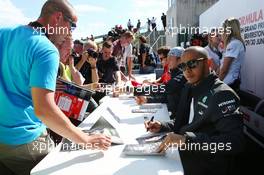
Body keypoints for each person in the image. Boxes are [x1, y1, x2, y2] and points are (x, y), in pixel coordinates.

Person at [0, 1, 111, 174]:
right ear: (58, 18)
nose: (69, 33)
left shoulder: (3, 33)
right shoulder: (46, 49)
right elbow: (44, 110)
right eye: (71, 26)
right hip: (25, 140)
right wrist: (86, 140)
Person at [145, 46, 244, 175]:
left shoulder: (221, 94)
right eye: (183, 66)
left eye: (192, 64)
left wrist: (187, 141)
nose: (187, 70)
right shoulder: (189, 87)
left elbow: (234, 142)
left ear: (208, 63)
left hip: (206, 166)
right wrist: (163, 126)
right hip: (182, 156)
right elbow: (189, 123)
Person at [136, 47, 186, 119]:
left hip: (180, 118)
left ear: (180, 60)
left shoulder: (183, 75)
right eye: (167, 59)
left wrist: (140, 90)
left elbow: (167, 88)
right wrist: (147, 99)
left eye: (171, 59)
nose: (168, 62)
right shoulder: (174, 73)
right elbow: (167, 96)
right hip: (173, 115)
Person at [219, 18, 246, 92]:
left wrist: (216, 84)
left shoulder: (234, 43)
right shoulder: (233, 43)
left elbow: (224, 70)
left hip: (228, 84)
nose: (222, 32)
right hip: (227, 83)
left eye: (223, 29)